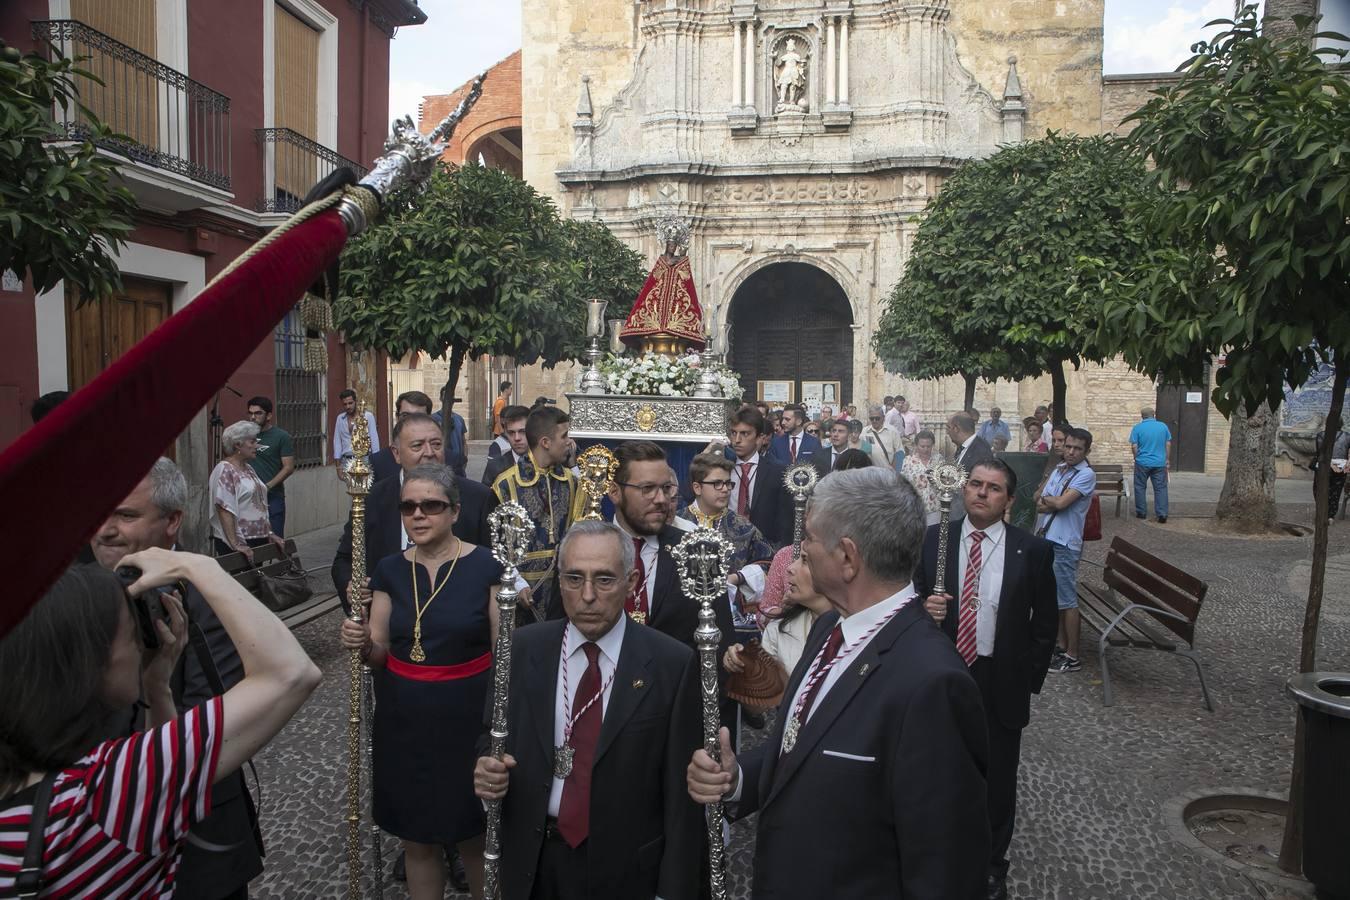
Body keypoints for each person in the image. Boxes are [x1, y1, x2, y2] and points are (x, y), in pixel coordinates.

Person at [686, 468, 990, 899]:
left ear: (847, 558)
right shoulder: (829, 628)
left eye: (809, 540)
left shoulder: (932, 684)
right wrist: (735, 780)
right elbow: (798, 749)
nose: (798, 554)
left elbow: (945, 867)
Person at [0, 551, 320, 896]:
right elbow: (290, 673)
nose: (141, 644)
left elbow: (162, 788)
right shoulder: (104, 793)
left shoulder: (41, 789)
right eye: (132, 633)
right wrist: (199, 566)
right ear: (93, 662)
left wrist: (156, 686)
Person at [473, 522, 703, 900]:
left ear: (631, 582)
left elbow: (682, 799)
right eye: (574, 579)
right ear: (560, 580)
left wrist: (672, 890)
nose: (588, 596)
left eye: (605, 580)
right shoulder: (521, 649)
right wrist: (487, 768)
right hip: (535, 860)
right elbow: (490, 735)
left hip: (625, 868)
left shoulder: (671, 665)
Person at [90, 458, 265, 899]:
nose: (105, 530)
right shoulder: (75, 594)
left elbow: (210, 723)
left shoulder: (210, 599)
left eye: (125, 515)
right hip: (98, 840)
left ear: (173, 521)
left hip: (195, 837)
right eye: (98, 514)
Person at [340, 465, 502, 900]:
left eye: (431, 505)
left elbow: (504, 655)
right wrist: (360, 643)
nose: (418, 515)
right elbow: (377, 653)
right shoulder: (389, 569)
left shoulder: (488, 566)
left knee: (472, 833)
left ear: (454, 511)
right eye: (408, 507)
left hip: (467, 722)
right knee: (418, 836)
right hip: (403, 721)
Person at [913, 460, 1058, 900]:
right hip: (944, 673)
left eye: (993, 488)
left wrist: (1024, 678)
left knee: (996, 779)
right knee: (938, 766)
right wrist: (923, 609)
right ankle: (935, 850)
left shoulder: (1030, 551)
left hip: (998, 677)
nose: (981, 493)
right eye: (974, 484)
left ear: (1009, 500)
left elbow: (1045, 623)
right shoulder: (935, 540)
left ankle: (993, 863)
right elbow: (907, 599)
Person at [332, 412, 498, 609]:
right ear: (396, 453)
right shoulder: (372, 499)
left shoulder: (478, 498)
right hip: (389, 620)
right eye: (417, 446)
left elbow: (496, 566)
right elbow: (344, 560)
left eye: (436, 444)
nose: (429, 452)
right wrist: (352, 586)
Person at [492, 406, 582, 616]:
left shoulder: (571, 481)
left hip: (562, 591)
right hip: (522, 591)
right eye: (564, 435)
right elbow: (496, 543)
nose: (569, 441)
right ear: (545, 443)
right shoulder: (506, 484)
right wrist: (517, 582)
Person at [681, 453, 774, 634]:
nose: (725, 489)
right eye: (717, 483)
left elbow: (769, 564)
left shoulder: (743, 527)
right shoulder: (677, 523)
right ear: (697, 487)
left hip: (730, 620)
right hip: (682, 617)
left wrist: (737, 577)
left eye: (728, 483)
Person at [726, 552, 831, 698]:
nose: (790, 568)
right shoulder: (780, 628)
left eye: (805, 560)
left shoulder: (859, 629)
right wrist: (746, 667)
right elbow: (763, 703)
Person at [1036, 427, 1096, 675]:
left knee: (1068, 601)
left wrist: (1053, 501)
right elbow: (1037, 500)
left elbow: (1059, 503)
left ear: (1086, 451)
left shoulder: (1086, 475)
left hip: (1065, 543)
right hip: (1048, 537)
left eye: (1077, 449)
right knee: (1056, 599)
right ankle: (1061, 647)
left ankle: (1073, 655)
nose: (1070, 452)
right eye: (1068, 446)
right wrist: (1052, 501)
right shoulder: (1060, 469)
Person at [621, 218, 705, 353]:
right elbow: (653, 283)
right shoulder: (661, 261)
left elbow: (685, 280)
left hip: (674, 312)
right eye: (670, 245)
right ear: (666, 245)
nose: (672, 248)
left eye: (674, 246)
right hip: (656, 310)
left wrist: (683, 257)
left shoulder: (680, 261)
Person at [209, 421, 285, 560]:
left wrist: (269, 533)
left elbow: (259, 504)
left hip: (257, 539)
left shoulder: (248, 468)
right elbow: (224, 508)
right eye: (252, 441)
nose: (256, 445)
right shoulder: (226, 469)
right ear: (237, 444)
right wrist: (235, 543)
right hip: (239, 543)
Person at [727, 406, 793, 548]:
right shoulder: (722, 467)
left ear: (760, 437)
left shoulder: (777, 471)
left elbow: (786, 523)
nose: (737, 440)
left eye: (745, 434)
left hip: (764, 550)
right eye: (733, 433)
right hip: (725, 544)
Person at [245, 396, 296, 536]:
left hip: (273, 496)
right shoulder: (244, 435)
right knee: (252, 540)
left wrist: (267, 486)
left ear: (269, 415)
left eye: (258, 413)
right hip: (248, 497)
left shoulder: (281, 436)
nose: (253, 417)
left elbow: (288, 467)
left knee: (276, 541)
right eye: (250, 413)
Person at [372, 390, 438, 483]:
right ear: (397, 417)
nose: (412, 422)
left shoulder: (451, 460)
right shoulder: (378, 462)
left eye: (419, 416)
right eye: (405, 415)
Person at [1130, 406, 1172, 523]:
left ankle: (1141, 512)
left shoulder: (1137, 428)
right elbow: (1168, 443)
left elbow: (1134, 446)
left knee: (1140, 487)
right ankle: (1162, 514)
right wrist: (1167, 459)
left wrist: (1136, 457)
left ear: (1142, 416)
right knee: (1161, 488)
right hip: (1159, 463)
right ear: (1154, 414)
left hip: (1142, 462)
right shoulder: (1163, 426)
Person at [901, 429, 946, 524]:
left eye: (928, 446)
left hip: (935, 508)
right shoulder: (908, 461)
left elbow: (946, 482)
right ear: (916, 446)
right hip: (915, 509)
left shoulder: (939, 460)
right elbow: (902, 485)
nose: (925, 449)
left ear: (933, 445)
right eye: (922, 446)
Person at [481, 405, 531, 487]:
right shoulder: (495, 467)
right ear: (505, 433)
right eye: (511, 433)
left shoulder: (545, 464)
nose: (517, 438)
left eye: (522, 431)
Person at [333, 388, 380, 473]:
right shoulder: (340, 419)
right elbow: (337, 442)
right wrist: (338, 467)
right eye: (345, 404)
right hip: (347, 461)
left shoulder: (368, 416)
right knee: (351, 486)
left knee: (366, 486)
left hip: (365, 460)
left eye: (350, 403)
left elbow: (374, 441)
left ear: (356, 402)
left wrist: (377, 463)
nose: (348, 406)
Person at [862, 404, 903, 470]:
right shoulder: (864, 432)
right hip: (870, 474)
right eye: (872, 418)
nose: (874, 421)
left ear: (883, 418)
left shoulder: (892, 431)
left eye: (877, 418)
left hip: (888, 473)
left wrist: (894, 471)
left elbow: (900, 453)